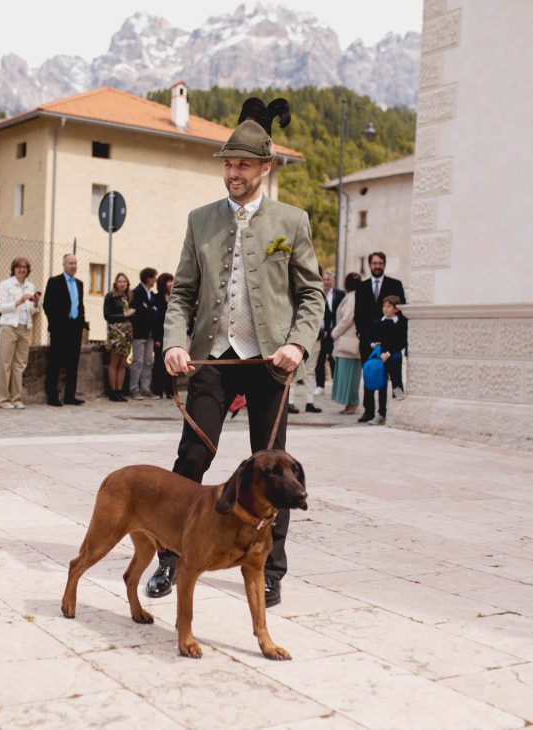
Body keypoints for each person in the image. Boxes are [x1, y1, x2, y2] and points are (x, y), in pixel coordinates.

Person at [149, 98, 323, 609]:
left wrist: (298, 342)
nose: (233, 173)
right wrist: (175, 344)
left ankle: (270, 569)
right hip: (213, 359)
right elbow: (181, 293)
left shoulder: (291, 221)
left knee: (274, 471)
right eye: (228, 164)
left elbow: (311, 294)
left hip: (272, 363)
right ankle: (171, 558)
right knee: (192, 457)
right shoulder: (200, 221)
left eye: (243, 164)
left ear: (264, 168)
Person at [0, 257, 40, 410]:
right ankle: (2, 399)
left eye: (25, 267)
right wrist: (20, 300)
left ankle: (16, 398)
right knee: (4, 364)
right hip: (9, 327)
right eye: (19, 267)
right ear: (13, 269)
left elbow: (32, 311)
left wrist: (35, 302)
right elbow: (2, 308)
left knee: (19, 365)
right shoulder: (5, 284)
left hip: (25, 328)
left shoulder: (30, 286)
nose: (22, 269)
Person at [42, 253, 86, 407]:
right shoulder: (55, 281)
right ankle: (52, 396)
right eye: (70, 263)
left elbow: (80, 305)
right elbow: (47, 304)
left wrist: (81, 322)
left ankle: (70, 396)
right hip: (60, 328)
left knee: (73, 363)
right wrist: (55, 323)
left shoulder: (79, 283)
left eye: (75, 263)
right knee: (56, 362)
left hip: (75, 328)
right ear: (64, 264)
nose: (73, 266)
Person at [359, 295, 407, 425]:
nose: (385, 309)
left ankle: (397, 413)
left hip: (393, 357)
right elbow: (371, 337)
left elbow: (401, 341)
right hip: (381, 358)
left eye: (389, 306)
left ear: (396, 309)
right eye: (384, 306)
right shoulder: (379, 322)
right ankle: (381, 413)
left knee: (396, 383)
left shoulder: (401, 323)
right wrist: (372, 344)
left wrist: (389, 353)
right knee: (381, 385)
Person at [354, 251, 405, 362]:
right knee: (371, 376)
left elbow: (401, 311)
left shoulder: (395, 285)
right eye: (374, 263)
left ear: (384, 264)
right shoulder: (361, 287)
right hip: (367, 341)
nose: (377, 266)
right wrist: (361, 334)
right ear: (369, 265)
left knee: (394, 377)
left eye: (380, 263)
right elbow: (358, 313)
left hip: (390, 344)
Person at [330, 273, 363, 415]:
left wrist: (334, 333)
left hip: (349, 340)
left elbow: (348, 318)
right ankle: (348, 403)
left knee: (350, 374)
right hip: (346, 339)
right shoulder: (350, 296)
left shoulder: (354, 297)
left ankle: (353, 403)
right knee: (346, 373)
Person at [103, 272, 134, 401]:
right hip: (115, 333)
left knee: (123, 363)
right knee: (114, 362)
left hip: (126, 333)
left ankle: (120, 391)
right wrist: (124, 315)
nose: (122, 284)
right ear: (115, 283)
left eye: (124, 282)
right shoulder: (110, 296)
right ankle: (113, 391)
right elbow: (107, 316)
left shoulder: (128, 297)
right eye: (120, 281)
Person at [314, 267, 344, 396]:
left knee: (334, 359)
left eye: (328, 279)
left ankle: (335, 384)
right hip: (322, 333)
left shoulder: (340, 294)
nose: (326, 282)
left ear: (332, 280)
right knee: (320, 360)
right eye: (324, 279)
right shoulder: (317, 294)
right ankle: (320, 385)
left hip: (336, 333)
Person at [128, 267, 158, 399]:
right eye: (154, 277)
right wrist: (150, 310)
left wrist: (149, 309)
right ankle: (134, 388)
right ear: (148, 278)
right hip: (140, 332)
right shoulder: (137, 292)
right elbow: (138, 312)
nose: (155, 280)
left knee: (148, 362)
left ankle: (145, 388)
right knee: (138, 361)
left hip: (150, 332)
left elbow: (154, 311)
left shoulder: (151, 294)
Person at [150, 272, 175, 398]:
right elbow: (155, 320)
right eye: (168, 281)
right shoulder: (156, 298)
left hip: (172, 336)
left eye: (172, 281)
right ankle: (157, 390)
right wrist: (156, 338)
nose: (171, 284)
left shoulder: (175, 298)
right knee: (159, 364)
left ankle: (170, 390)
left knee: (171, 364)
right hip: (160, 336)